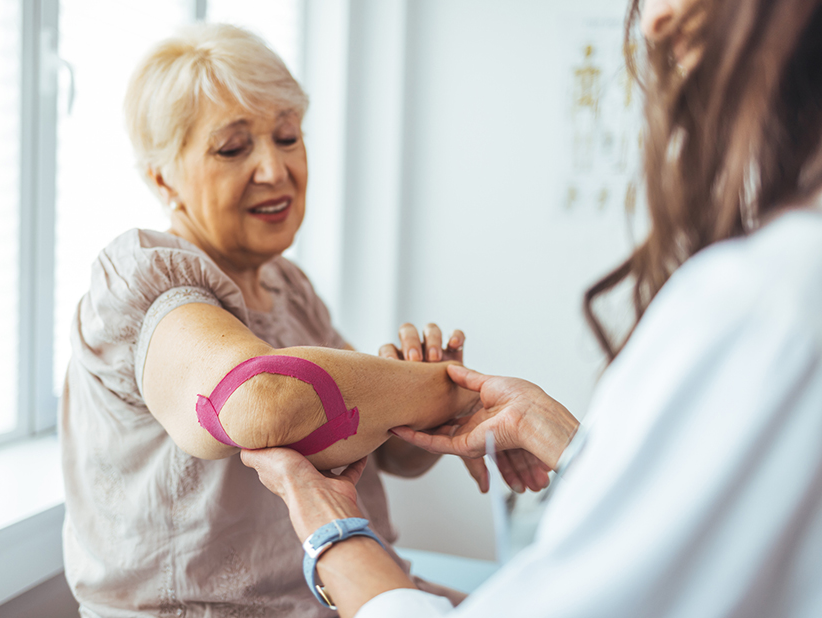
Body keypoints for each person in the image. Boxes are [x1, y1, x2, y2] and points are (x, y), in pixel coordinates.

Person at [241, 0, 822, 616]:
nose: (654, 19)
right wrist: (566, 441)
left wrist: (333, 533)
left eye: (287, 138)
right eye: (231, 147)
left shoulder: (764, 302)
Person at [59, 23, 543, 618]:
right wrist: (439, 392)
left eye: (288, 137)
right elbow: (260, 400)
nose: (274, 169)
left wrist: (444, 406)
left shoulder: (289, 287)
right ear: (163, 178)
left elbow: (390, 452)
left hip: (337, 593)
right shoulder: (137, 278)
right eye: (233, 149)